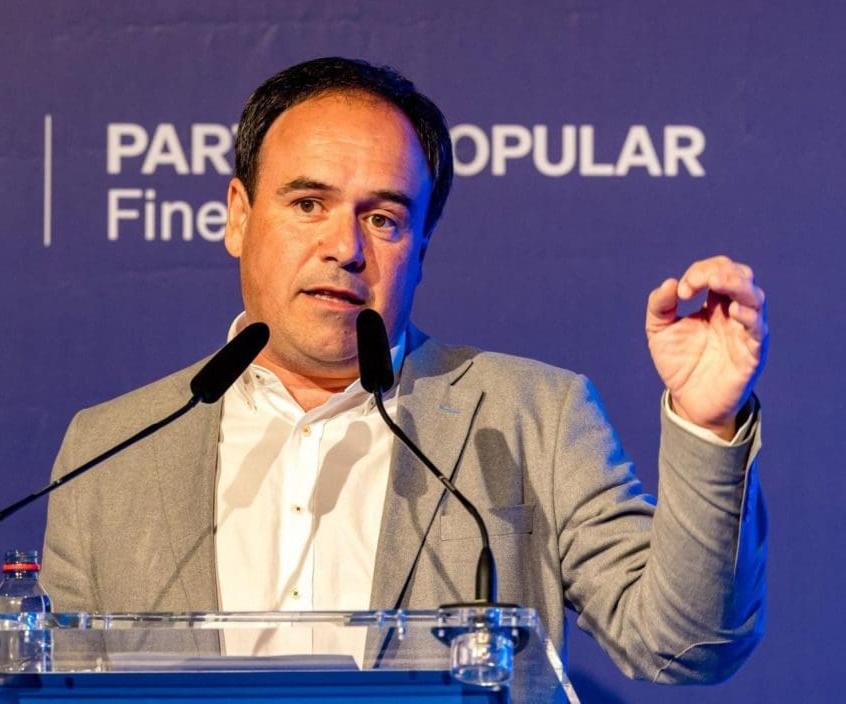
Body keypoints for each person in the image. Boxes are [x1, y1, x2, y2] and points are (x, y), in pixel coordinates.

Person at [41, 57, 767, 684]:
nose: (345, 248)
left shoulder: (532, 417)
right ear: (238, 215)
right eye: (308, 203)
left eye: (383, 219)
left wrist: (707, 426)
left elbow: (687, 644)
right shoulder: (109, 450)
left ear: (421, 247)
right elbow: (53, 686)